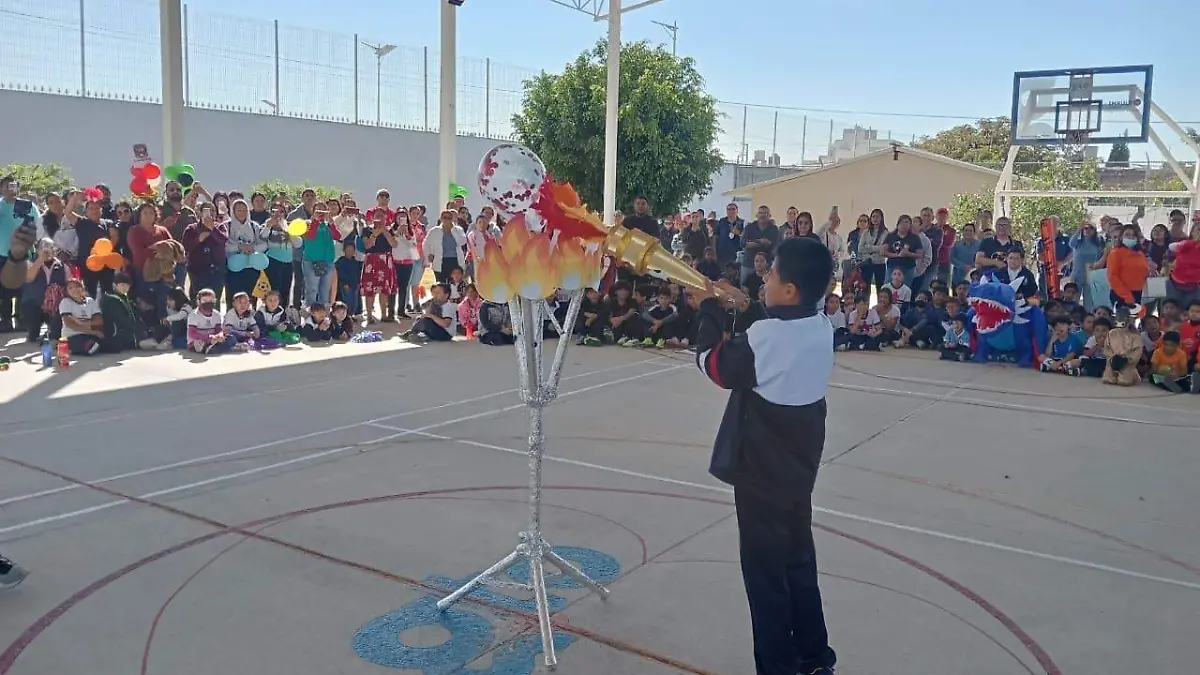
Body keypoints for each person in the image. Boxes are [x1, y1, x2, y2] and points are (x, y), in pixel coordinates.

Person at [688, 236, 837, 675]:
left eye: (770, 274)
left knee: (765, 579)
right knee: (798, 565)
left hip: (760, 473)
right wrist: (743, 305)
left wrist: (709, 309)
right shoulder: (820, 325)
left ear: (789, 289)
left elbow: (714, 363)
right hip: (797, 473)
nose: (763, 279)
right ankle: (814, 658)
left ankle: (777, 666)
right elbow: (774, 336)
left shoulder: (767, 337)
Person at [20, 238, 69, 343]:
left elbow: (69, 284)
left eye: (50, 247)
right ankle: (33, 331)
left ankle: (52, 330)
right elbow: (29, 278)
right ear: (37, 250)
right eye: (43, 247)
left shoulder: (63, 266)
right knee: (33, 333)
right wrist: (40, 260)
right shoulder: (29, 263)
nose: (47, 250)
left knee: (55, 334)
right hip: (34, 303)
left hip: (54, 306)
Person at [101, 272, 161, 351]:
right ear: (114, 285)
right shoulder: (110, 299)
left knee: (157, 330)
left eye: (127, 286)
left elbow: (136, 314)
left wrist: (145, 327)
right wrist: (141, 329)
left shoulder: (125, 297)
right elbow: (122, 320)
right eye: (122, 285)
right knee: (145, 336)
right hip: (117, 333)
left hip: (131, 330)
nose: (125, 288)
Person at [1106, 224, 1149, 310]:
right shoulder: (1115, 253)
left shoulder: (1140, 254)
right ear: (1121, 237)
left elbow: (1144, 273)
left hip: (1138, 293)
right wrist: (1127, 295)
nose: (1131, 237)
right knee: (1122, 318)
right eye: (1127, 234)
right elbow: (1112, 277)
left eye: (1133, 235)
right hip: (1120, 294)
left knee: (1134, 317)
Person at [425, 209, 467, 284]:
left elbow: (462, 241)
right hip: (440, 261)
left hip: (455, 260)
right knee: (441, 284)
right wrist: (429, 254)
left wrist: (452, 230)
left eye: (449, 218)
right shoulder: (434, 231)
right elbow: (426, 244)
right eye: (445, 217)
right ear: (441, 219)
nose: (447, 220)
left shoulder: (458, 230)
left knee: (454, 284)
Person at [882, 214, 921, 287]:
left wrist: (909, 254)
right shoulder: (890, 236)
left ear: (910, 225)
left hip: (908, 268)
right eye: (901, 222)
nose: (904, 225)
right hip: (892, 267)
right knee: (888, 288)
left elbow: (920, 254)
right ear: (897, 224)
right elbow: (882, 252)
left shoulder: (915, 238)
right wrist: (896, 255)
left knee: (904, 289)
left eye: (906, 222)